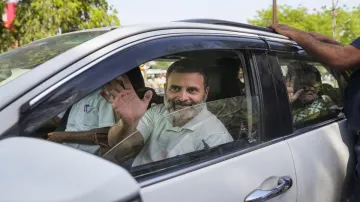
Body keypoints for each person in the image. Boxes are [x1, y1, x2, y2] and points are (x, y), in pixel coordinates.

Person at [270, 24, 360, 202]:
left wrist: (299, 35)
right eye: (301, 84)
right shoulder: (281, 103)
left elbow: (343, 59)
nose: (308, 89)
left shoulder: (327, 104)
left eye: (313, 83)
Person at [106, 59, 233, 167]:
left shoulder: (215, 137)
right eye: (175, 88)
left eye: (192, 90)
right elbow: (120, 148)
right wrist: (128, 122)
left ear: (205, 93)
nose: (182, 97)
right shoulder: (157, 112)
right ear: (166, 88)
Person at [47, 89, 116, 155]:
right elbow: (57, 120)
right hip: (64, 149)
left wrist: (64, 137)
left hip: (85, 155)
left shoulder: (103, 96)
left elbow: (106, 133)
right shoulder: (75, 96)